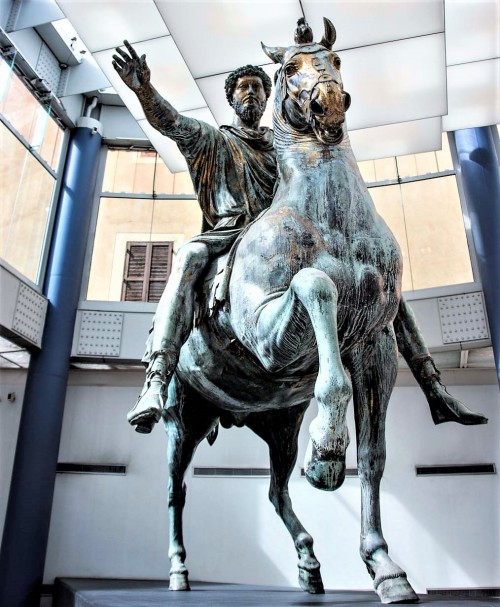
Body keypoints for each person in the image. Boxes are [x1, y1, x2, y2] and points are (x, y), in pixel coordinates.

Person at [113, 41, 487, 434]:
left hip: (291, 240)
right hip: (233, 236)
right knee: (188, 257)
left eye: (259, 87)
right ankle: (156, 377)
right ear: (231, 98)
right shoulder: (215, 141)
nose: (253, 94)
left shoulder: (286, 146)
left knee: (379, 277)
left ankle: (432, 384)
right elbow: (171, 122)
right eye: (244, 88)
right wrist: (143, 90)